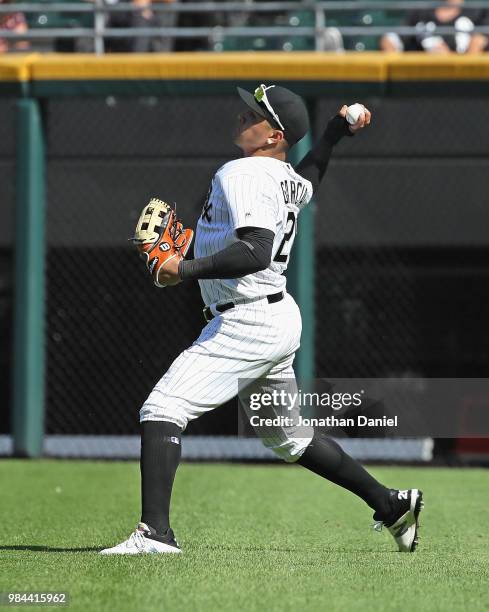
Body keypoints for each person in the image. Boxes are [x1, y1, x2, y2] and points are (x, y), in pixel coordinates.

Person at [100, 84, 423, 555]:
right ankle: (392, 504)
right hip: (272, 314)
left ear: (273, 135)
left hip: (245, 320)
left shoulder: (243, 172)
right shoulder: (283, 175)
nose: (241, 115)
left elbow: (255, 250)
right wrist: (334, 132)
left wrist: (182, 269)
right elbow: (311, 174)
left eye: (254, 113)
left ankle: (155, 535)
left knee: (163, 407)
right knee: (288, 436)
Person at [380, 0, 489, 54]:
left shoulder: (479, 10)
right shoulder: (420, 12)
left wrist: (449, 62)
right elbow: (390, 39)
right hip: (425, 82)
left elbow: (477, 44)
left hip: (468, 87)